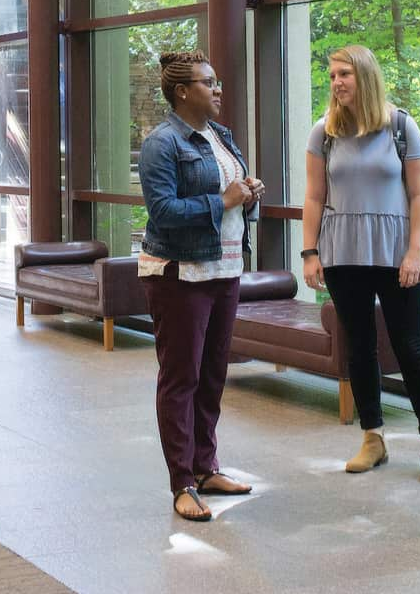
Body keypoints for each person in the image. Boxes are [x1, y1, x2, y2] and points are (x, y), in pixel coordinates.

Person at [302, 45, 420, 483]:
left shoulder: (402, 126)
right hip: (343, 251)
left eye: (344, 73)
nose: (336, 82)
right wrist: (310, 252)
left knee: (411, 346)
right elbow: (313, 197)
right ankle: (372, 438)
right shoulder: (323, 132)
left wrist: (414, 251)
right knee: (359, 347)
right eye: (331, 76)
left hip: (396, 252)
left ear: (365, 76)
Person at [136, 51, 265, 522]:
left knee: (212, 376)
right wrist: (224, 198)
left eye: (217, 81)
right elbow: (163, 212)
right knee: (181, 378)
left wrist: (247, 196)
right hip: (180, 274)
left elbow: (231, 203)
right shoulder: (162, 143)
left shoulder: (220, 136)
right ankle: (182, 483)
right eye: (208, 83)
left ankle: (206, 467)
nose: (217, 90)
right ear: (182, 91)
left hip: (224, 270)